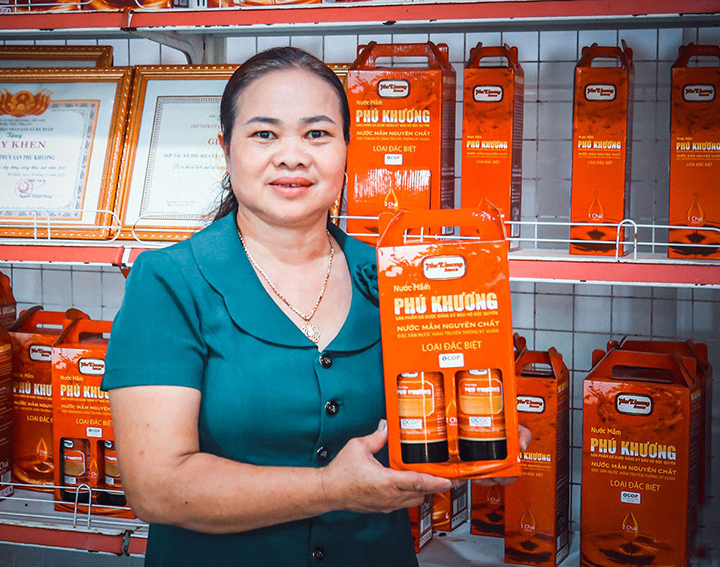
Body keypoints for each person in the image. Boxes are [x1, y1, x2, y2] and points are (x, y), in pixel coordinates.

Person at [103, 46, 528, 567]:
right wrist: (331, 488)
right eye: (265, 134)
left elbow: (431, 416)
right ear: (226, 149)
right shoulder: (169, 281)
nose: (293, 156)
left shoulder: (400, 275)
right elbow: (156, 488)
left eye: (317, 134)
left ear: (347, 147)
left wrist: (479, 445)